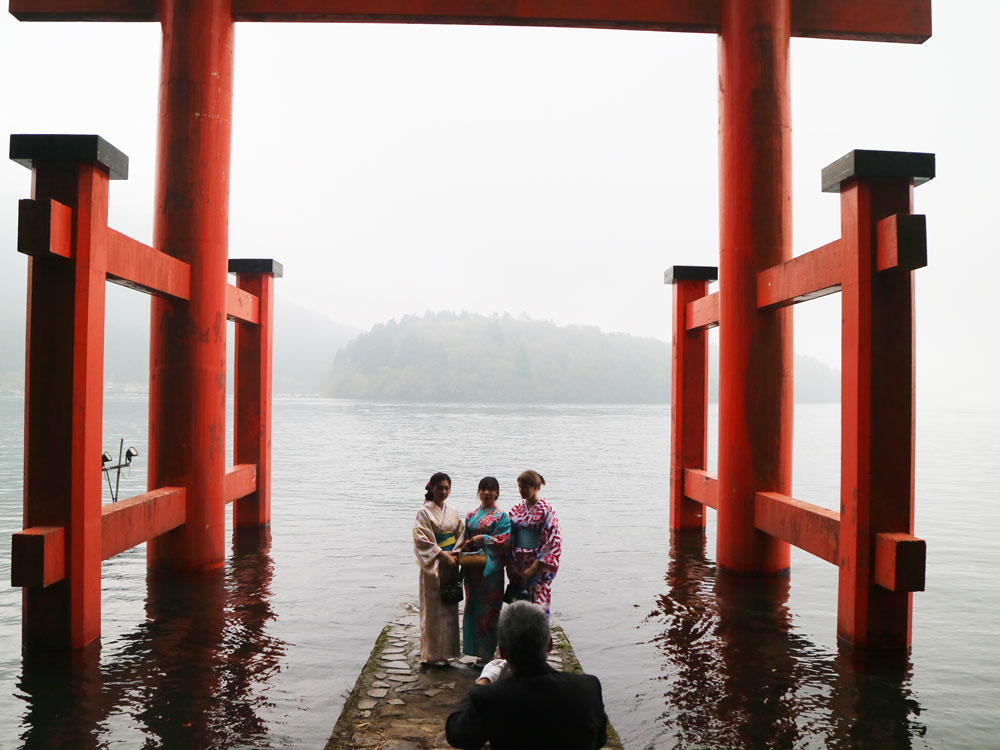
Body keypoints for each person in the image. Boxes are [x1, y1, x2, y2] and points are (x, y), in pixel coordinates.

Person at [445, 601, 608, 750]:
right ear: (549, 645)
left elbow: (458, 736)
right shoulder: (588, 687)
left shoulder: (489, 698)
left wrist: (483, 681)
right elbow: (600, 740)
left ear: (502, 651)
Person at [413, 472, 465, 665]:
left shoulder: (452, 511)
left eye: (446, 488)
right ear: (432, 489)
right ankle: (432, 653)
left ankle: (448, 652)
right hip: (434, 564)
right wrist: (441, 554)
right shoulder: (424, 512)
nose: (443, 491)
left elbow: (461, 532)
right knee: (433, 609)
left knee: (450, 606)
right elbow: (421, 538)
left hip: (450, 563)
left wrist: (456, 553)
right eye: (440, 488)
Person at [460, 476, 511, 667]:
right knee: (472, 607)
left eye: (491, 490)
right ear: (478, 492)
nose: (487, 493)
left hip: (491, 570)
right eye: (483, 489)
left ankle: (487, 653)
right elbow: (465, 536)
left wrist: (484, 538)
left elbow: (504, 541)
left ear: (497, 493)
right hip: (473, 567)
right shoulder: (471, 515)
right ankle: (474, 650)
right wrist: (465, 546)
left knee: (489, 611)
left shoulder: (501, 517)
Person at [506, 470, 562, 619]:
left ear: (536, 486)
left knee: (537, 609)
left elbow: (552, 541)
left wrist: (534, 567)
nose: (522, 490)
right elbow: (508, 537)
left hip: (537, 566)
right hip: (518, 563)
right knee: (517, 607)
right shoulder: (515, 510)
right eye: (519, 487)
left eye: (525, 487)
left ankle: (538, 640)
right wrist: (511, 565)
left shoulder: (546, 510)